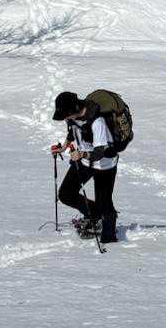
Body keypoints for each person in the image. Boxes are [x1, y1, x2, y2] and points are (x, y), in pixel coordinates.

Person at [52, 91, 121, 245]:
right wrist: (63, 147)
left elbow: (100, 152)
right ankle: (95, 215)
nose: (66, 119)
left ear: (75, 109)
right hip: (84, 162)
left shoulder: (98, 122)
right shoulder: (73, 118)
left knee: (104, 203)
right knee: (66, 194)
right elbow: (73, 132)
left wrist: (81, 154)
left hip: (104, 165)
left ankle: (109, 239)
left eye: (66, 115)